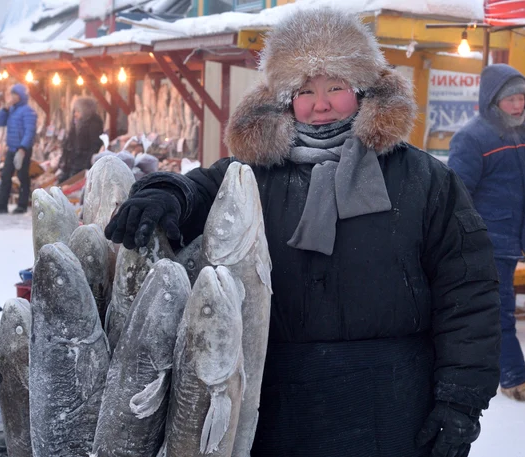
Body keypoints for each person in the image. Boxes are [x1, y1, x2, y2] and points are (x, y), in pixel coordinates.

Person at [104, 9, 501, 457]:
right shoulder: (253, 175)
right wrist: (163, 192)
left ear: (364, 91)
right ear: (283, 100)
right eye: (304, 91)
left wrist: (460, 401)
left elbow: (468, 292)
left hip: (391, 401)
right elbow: (198, 190)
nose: (321, 104)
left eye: (336, 87)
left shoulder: (424, 179)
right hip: (276, 401)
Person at [448, 64, 525, 404]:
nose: (518, 104)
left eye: (522, 97)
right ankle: (514, 378)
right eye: (511, 98)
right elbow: (457, 196)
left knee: (486, 310)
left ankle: (478, 368)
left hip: (514, 240)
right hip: (485, 241)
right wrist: (461, 241)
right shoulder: (472, 138)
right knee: (500, 310)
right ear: (493, 100)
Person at [0, 83, 37, 214]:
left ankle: (22, 205)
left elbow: (30, 131)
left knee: (22, 176)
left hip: (23, 149)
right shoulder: (11, 110)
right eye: (12, 94)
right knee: (5, 176)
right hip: (11, 148)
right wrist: (4, 108)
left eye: (15, 94)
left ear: (21, 96)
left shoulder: (28, 111)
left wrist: (23, 148)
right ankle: (1, 204)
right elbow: (0, 122)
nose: (12, 97)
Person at [57, 96, 104, 183]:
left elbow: (95, 145)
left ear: (85, 111)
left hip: (83, 162)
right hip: (73, 161)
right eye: (75, 111)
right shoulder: (77, 123)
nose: (75, 114)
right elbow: (70, 141)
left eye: (78, 111)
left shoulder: (94, 123)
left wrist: (87, 164)